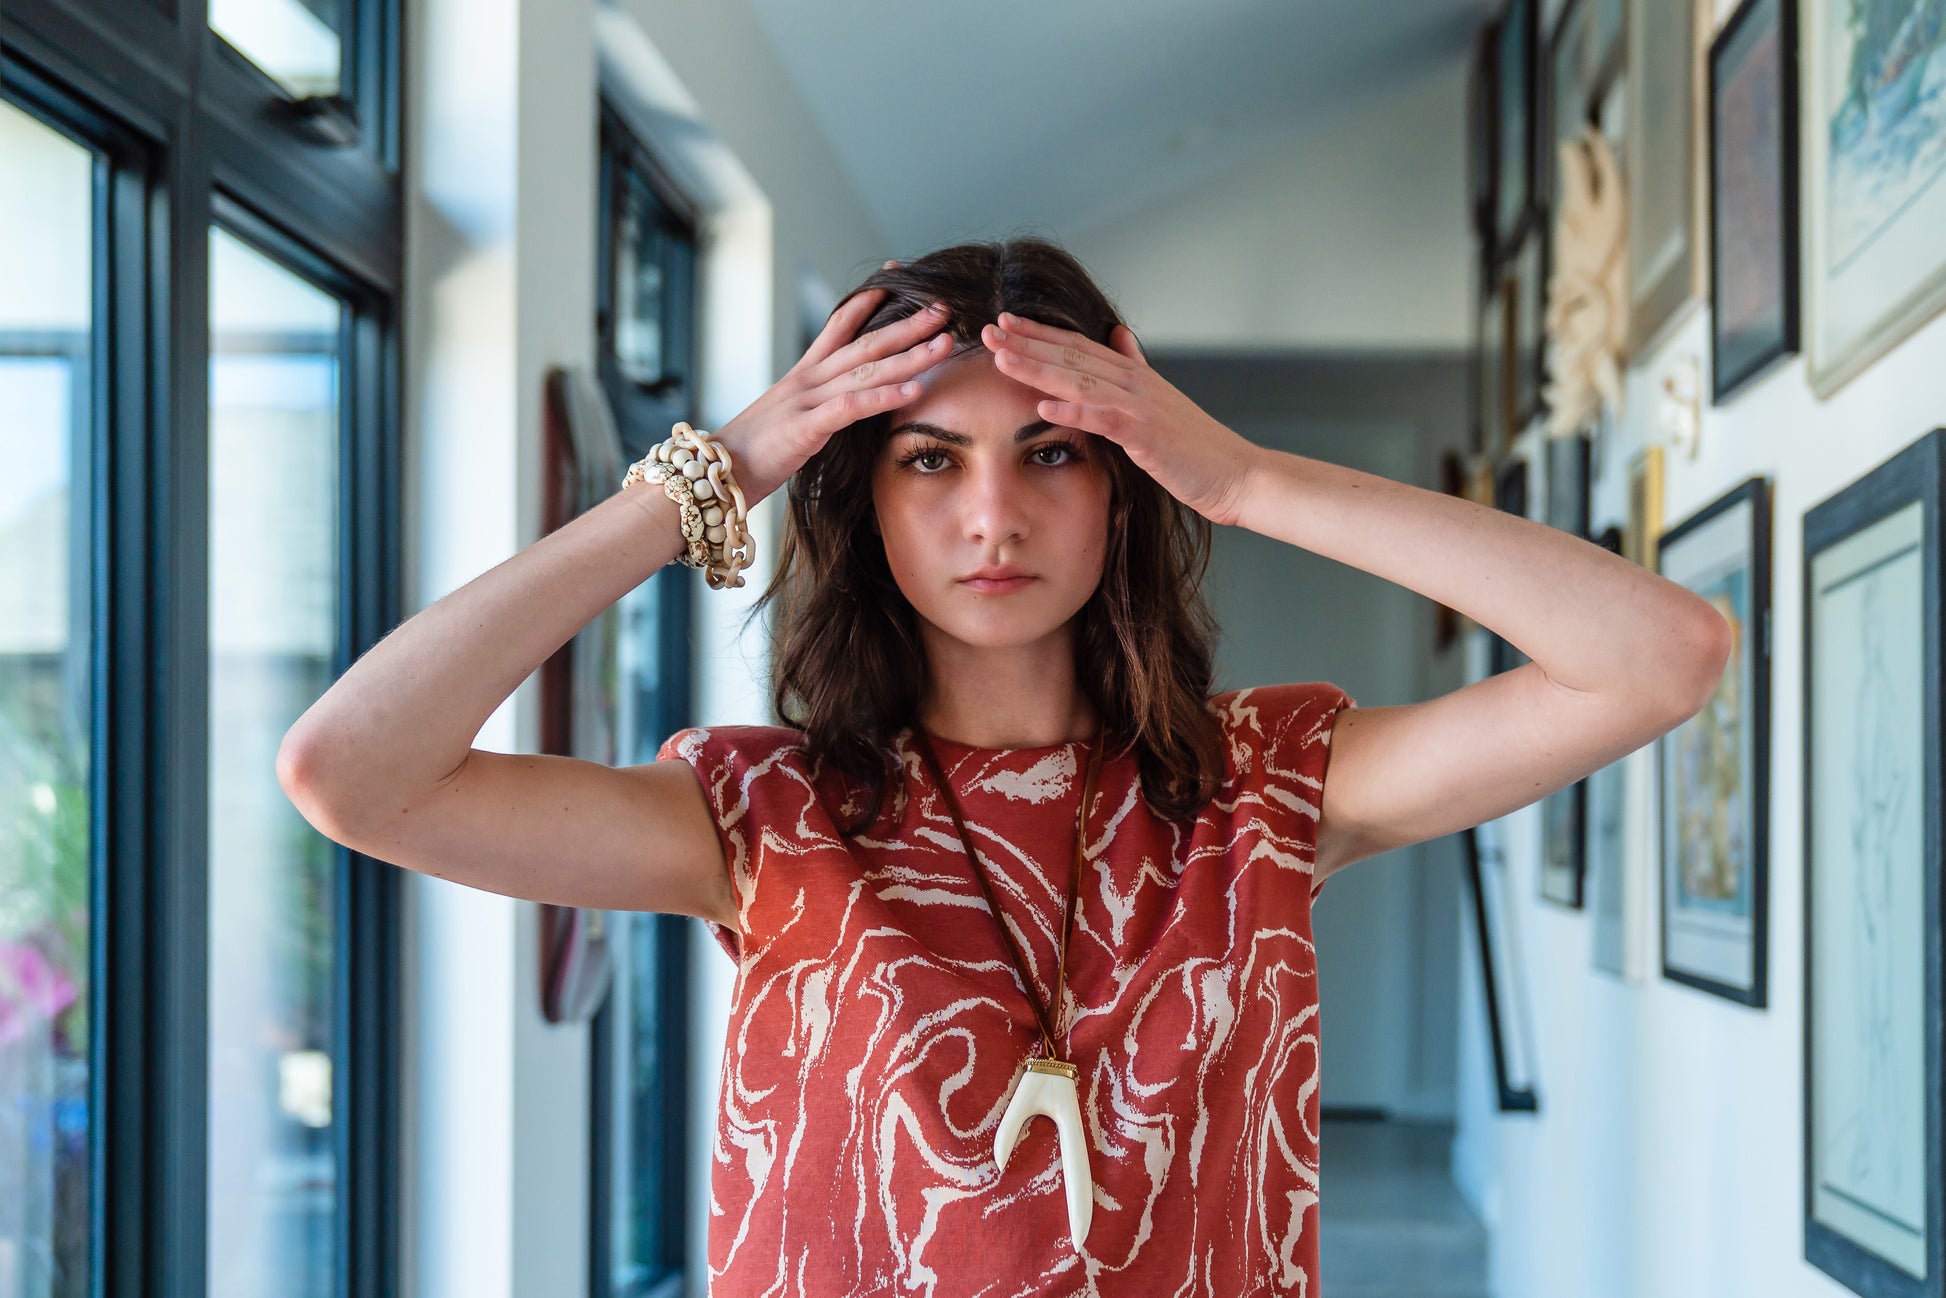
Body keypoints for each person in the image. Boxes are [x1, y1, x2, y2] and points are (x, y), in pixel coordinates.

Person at [279, 237, 1730, 1295]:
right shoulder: (761, 815)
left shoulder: (1264, 789)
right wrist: (719, 468)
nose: (992, 514)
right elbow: (354, 771)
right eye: (927, 458)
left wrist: (1240, 476)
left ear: (1123, 486)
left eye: (1050, 452)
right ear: (867, 502)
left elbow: (1661, 655)